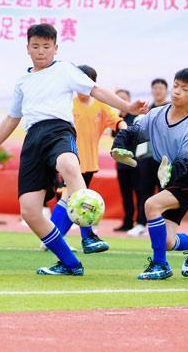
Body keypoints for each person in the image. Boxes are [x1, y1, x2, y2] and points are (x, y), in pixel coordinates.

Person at [0, 23, 146, 276]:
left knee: (69, 165)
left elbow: (95, 90)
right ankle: (69, 263)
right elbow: (12, 118)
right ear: (27, 48)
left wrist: (126, 107)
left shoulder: (65, 69)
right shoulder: (23, 81)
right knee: (30, 211)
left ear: (56, 48)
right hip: (33, 139)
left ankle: (88, 235)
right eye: (36, 46)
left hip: (59, 131)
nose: (41, 51)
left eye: (46, 46)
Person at [111, 68, 188, 280]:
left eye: (184, 89)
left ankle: (160, 265)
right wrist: (119, 145)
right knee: (167, 241)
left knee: (151, 205)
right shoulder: (156, 114)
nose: (177, 91)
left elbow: (183, 163)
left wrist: (169, 174)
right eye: (176, 86)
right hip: (169, 176)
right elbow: (134, 132)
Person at [64, 64, 126, 253]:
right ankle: (82, 237)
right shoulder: (68, 105)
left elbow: (117, 121)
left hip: (90, 163)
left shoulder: (101, 105)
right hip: (69, 161)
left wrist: (126, 131)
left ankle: (55, 239)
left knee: (74, 201)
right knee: (71, 199)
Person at [128, 77, 170, 237]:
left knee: (164, 191)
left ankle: (165, 225)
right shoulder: (146, 110)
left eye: (161, 88)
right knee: (144, 191)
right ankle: (140, 224)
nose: (157, 91)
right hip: (146, 156)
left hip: (165, 159)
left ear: (166, 91)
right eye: (155, 88)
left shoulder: (171, 109)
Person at [114, 89, 138, 232]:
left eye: (124, 98)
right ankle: (127, 222)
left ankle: (141, 222)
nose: (121, 101)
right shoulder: (117, 119)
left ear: (129, 100)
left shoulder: (135, 117)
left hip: (135, 162)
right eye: (118, 98)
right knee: (125, 194)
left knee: (139, 192)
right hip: (121, 163)